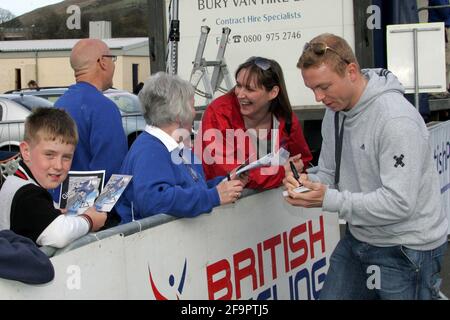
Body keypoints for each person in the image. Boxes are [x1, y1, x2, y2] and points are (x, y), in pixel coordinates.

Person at [284, 33, 448, 300]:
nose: (318, 97)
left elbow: (398, 203)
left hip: (407, 247)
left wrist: (328, 199)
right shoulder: (334, 112)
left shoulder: (395, 120)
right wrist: (304, 182)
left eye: (324, 87)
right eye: (312, 89)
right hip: (360, 238)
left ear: (351, 71)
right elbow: (329, 173)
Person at [115, 72, 246, 224]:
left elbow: (192, 187)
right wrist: (214, 197)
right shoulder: (150, 151)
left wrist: (225, 182)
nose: (194, 112)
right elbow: (155, 201)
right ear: (178, 115)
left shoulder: (172, 147)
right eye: (192, 105)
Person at [195, 56, 312, 190]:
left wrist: (291, 172)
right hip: (221, 206)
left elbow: (301, 162)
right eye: (238, 85)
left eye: (249, 89)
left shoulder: (285, 118)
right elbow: (231, 174)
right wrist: (281, 173)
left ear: (273, 92)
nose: (240, 94)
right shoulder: (219, 113)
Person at [0, 108, 107, 248]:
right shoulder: (27, 194)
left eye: (67, 157)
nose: (58, 166)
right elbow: (59, 235)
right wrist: (90, 220)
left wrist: (54, 212)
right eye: (49, 155)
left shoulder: (20, 180)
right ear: (26, 151)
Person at [51, 39, 127, 202]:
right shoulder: (105, 108)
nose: (114, 65)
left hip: (60, 205)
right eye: (112, 59)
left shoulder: (58, 104)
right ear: (102, 62)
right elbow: (113, 171)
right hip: (92, 214)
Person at [428, 0, 450, 94]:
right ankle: (438, 91)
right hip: (440, 29)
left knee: (447, 61)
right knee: (442, 61)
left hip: (444, 28)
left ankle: (444, 88)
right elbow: (444, 11)